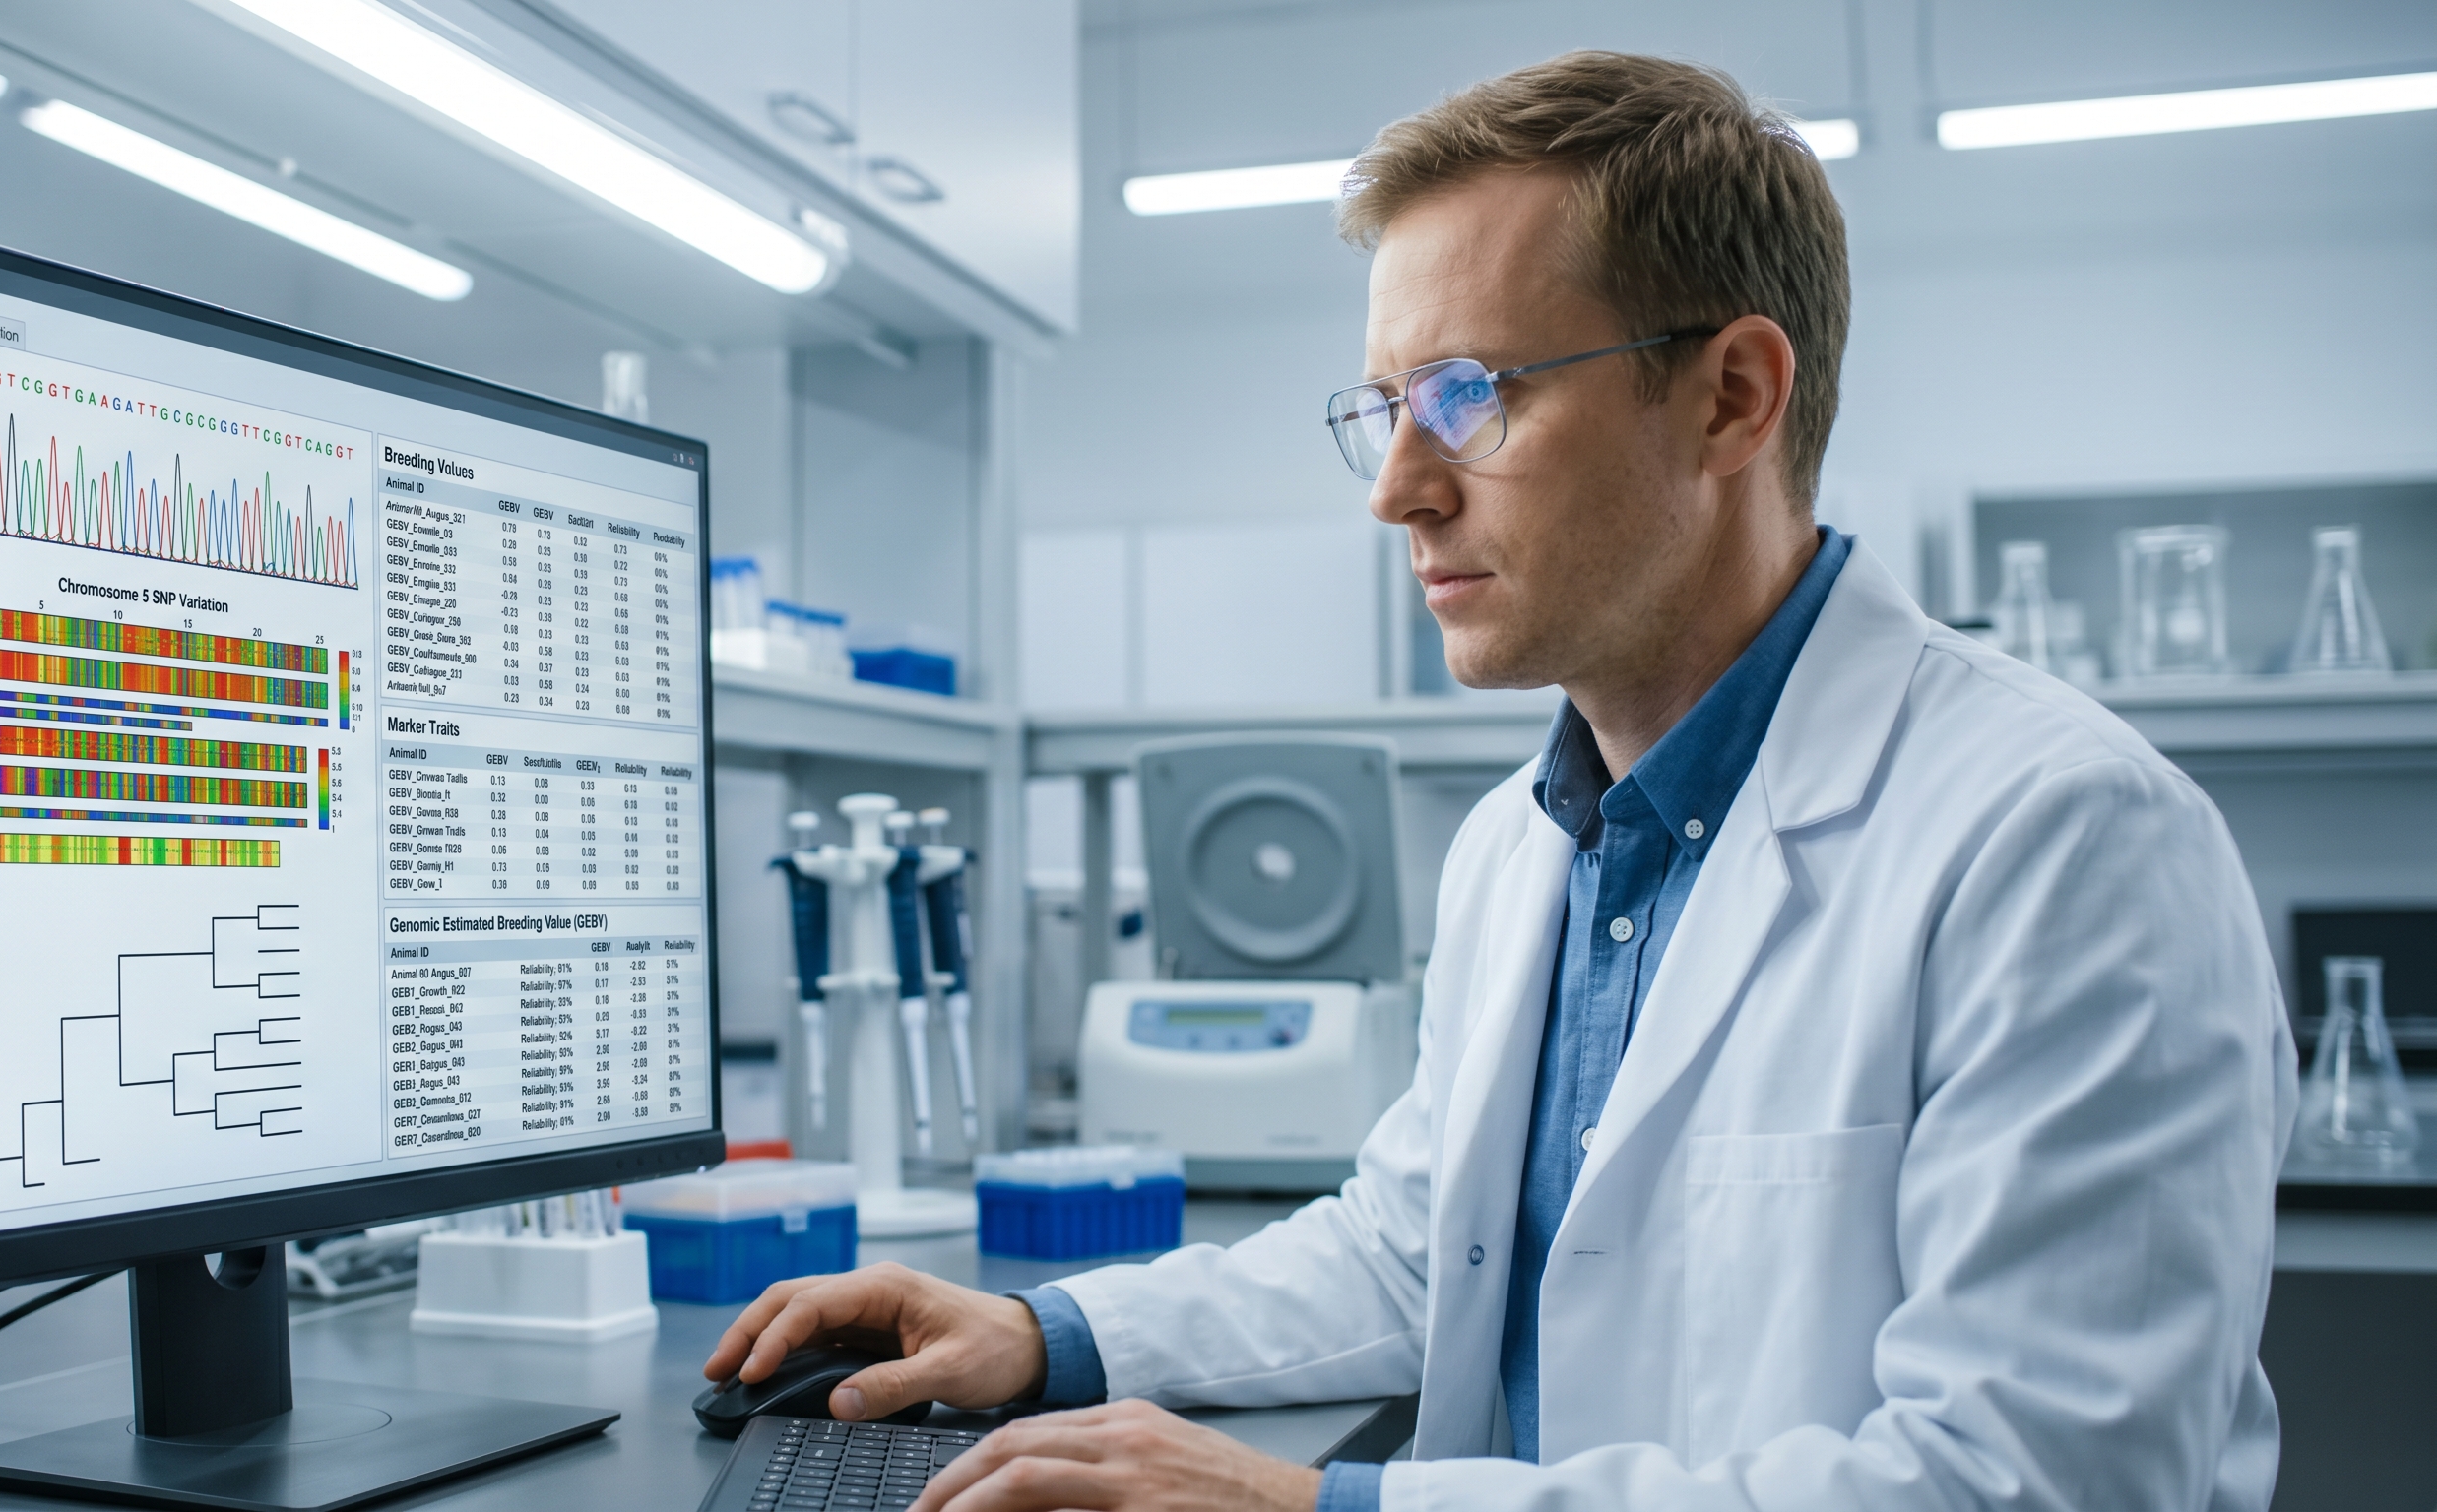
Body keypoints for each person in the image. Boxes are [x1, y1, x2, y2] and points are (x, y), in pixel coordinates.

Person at [705, 51, 2294, 1512]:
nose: (1401, 487)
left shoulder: (2065, 839)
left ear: (1733, 395)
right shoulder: (1521, 845)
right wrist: (1042, 1335)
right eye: (1388, 407)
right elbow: (1425, 1255)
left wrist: (1319, 1504)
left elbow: (2030, 1479)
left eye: (1473, 393)